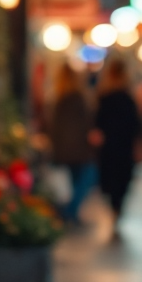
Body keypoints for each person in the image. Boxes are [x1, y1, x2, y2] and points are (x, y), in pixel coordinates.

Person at [94, 59, 141, 237]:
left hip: (109, 145)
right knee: (122, 177)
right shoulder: (128, 97)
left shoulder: (104, 96)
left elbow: (98, 122)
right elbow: (136, 124)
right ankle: (118, 207)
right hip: (124, 145)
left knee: (111, 177)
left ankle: (115, 207)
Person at [49, 63, 95, 223]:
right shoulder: (79, 98)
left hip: (63, 148)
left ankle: (70, 211)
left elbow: (53, 127)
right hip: (79, 148)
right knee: (88, 177)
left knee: (74, 182)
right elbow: (86, 124)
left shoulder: (59, 99)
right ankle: (70, 210)